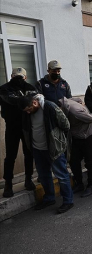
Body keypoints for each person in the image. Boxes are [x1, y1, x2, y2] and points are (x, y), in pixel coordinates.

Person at [20, 94, 74, 214]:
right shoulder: (26, 113)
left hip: (54, 149)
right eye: (26, 111)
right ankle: (49, 198)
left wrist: (58, 141)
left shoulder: (50, 107)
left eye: (29, 109)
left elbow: (66, 125)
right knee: (44, 176)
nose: (28, 112)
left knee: (61, 175)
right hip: (37, 150)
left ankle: (68, 201)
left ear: (35, 103)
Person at [0, 68, 37, 197]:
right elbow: (11, 100)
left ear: (25, 77)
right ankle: (8, 184)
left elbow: (35, 101)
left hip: (27, 126)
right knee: (10, 156)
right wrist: (25, 99)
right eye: (16, 76)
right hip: (12, 127)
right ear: (11, 76)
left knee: (29, 153)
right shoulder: (4, 88)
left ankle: (28, 179)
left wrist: (26, 100)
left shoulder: (30, 87)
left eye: (21, 77)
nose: (19, 79)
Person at [59, 97, 92, 197]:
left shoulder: (75, 111)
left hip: (87, 134)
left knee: (90, 160)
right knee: (73, 160)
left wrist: (90, 113)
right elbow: (75, 99)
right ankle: (79, 183)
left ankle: (90, 185)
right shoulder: (64, 102)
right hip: (76, 135)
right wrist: (80, 101)